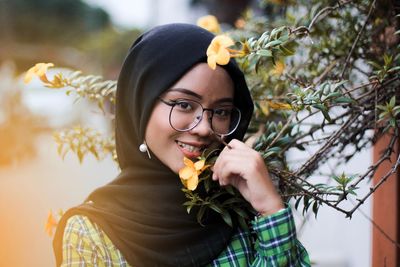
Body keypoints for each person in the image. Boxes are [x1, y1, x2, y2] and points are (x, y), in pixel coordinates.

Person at [53, 23, 310, 267]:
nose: (204, 128)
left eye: (221, 112)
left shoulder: (242, 210)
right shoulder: (92, 232)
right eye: (184, 105)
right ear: (141, 104)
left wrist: (270, 208)